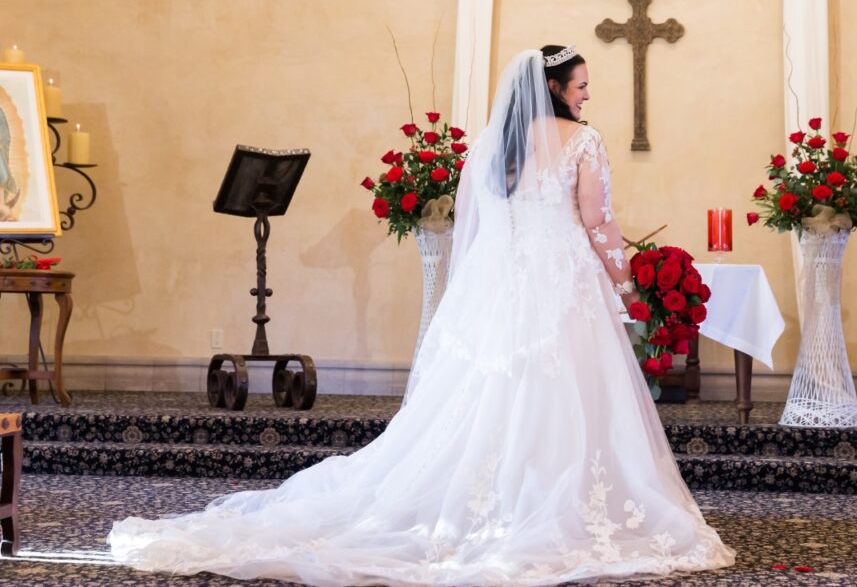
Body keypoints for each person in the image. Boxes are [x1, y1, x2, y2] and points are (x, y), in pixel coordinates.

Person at [108, 46, 735, 585]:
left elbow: (482, 223)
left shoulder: (491, 145)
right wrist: (626, 284)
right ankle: (549, 501)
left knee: (496, 395)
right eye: (582, 84)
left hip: (503, 291)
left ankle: (493, 499)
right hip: (562, 286)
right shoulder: (583, 140)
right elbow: (597, 221)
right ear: (553, 87)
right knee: (568, 393)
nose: (589, 94)